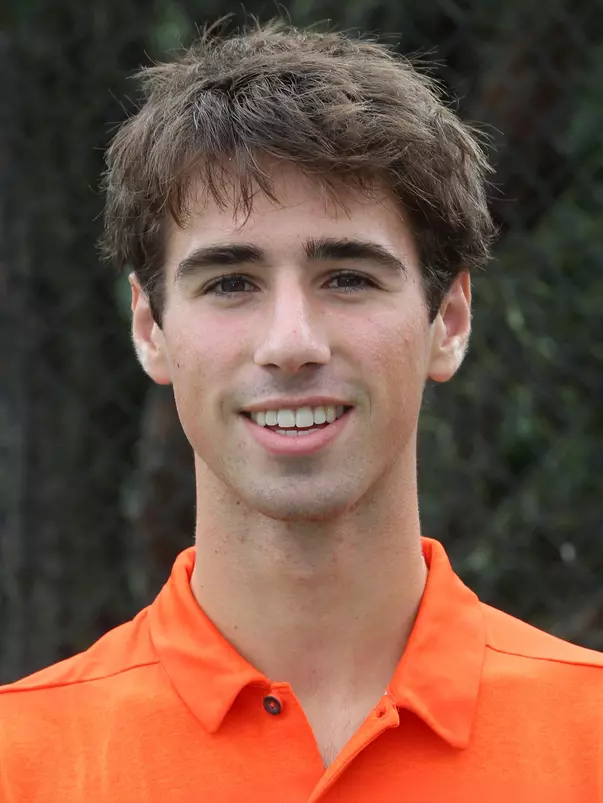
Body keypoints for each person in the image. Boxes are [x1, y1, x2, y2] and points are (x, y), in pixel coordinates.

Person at [1, 19, 601, 803]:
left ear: (447, 322)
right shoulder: (23, 761)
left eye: (348, 276)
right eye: (230, 282)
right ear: (150, 329)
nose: (291, 343)